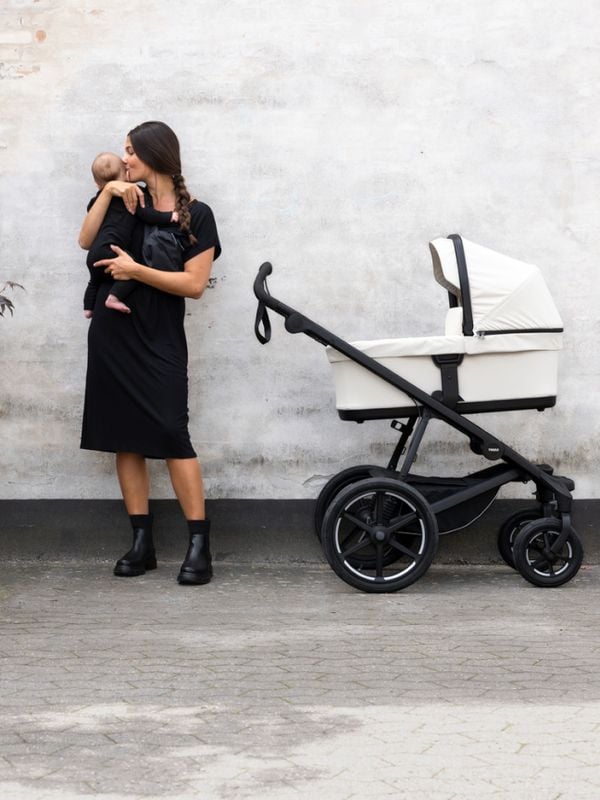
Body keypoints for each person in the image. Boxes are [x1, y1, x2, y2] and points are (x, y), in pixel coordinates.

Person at [78, 121, 221, 585]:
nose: (125, 159)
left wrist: (136, 271)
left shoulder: (198, 215)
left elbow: (194, 285)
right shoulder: (123, 200)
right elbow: (86, 241)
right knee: (125, 436)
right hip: (112, 332)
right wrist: (107, 191)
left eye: (131, 151)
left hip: (160, 336)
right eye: (123, 152)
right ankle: (142, 543)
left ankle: (199, 544)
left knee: (172, 432)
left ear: (155, 154)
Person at [83, 151, 180, 317]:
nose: (126, 158)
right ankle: (113, 298)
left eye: (131, 152)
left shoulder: (96, 201)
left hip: (94, 253)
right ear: (125, 176)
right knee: (132, 268)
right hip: (113, 249)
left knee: (94, 280)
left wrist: (104, 193)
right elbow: (147, 215)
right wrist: (169, 216)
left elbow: (91, 218)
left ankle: (88, 309)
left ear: (97, 184)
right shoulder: (132, 194)